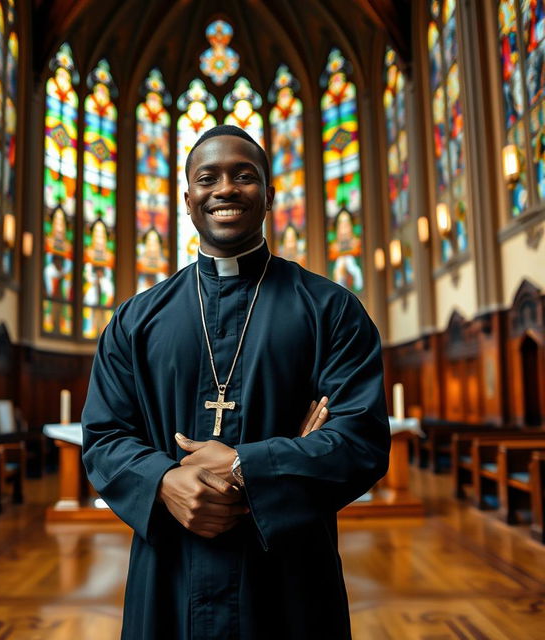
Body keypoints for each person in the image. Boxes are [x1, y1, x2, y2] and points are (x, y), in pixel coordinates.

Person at [82, 125, 390, 639]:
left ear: (269, 195)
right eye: (208, 178)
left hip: (289, 576)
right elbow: (105, 437)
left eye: (244, 176)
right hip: (170, 573)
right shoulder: (136, 319)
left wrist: (249, 464)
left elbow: (359, 439)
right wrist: (162, 481)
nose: (225, 189)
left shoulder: (331, 310)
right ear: (187, 200)